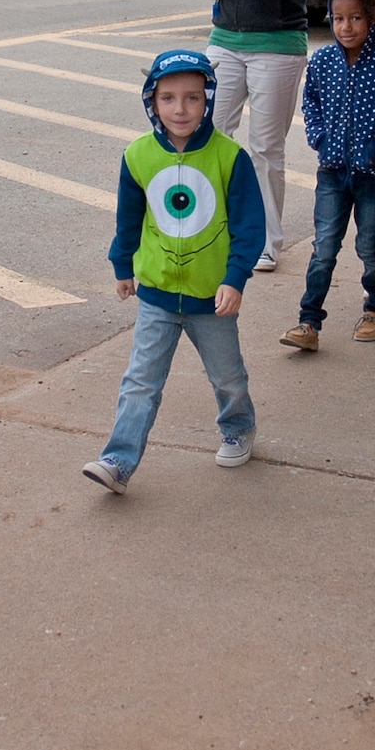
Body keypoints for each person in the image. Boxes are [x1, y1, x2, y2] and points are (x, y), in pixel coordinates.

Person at [85, 50, 264, 492]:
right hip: (157, 295)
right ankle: (119, 461)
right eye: (167, 98)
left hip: (212, 297)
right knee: (140, 382)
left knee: (227, 376)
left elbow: (249, 226)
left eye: (192, 98)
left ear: (208, 100)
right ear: (151, 102)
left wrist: (234, 277)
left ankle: (238, 427)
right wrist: (122, 265)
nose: (180, 109)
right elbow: (128, 219)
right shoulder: (138, 156)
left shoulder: (229, 157)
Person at [196, 0, 314, 272]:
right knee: (212, 135)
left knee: (265, 148)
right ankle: (213, 228)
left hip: (278, 45)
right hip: (224, 42)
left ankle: (267, 240)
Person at [280, 0, 375, 351]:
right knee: (324, 246)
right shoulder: (323, 61)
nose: (346, 27)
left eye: (355, 18)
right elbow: (311, 103)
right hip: (332, 173)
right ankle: (309, 322)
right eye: (338, 18)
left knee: (370, 248)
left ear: (373, 17)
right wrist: (320, 137)